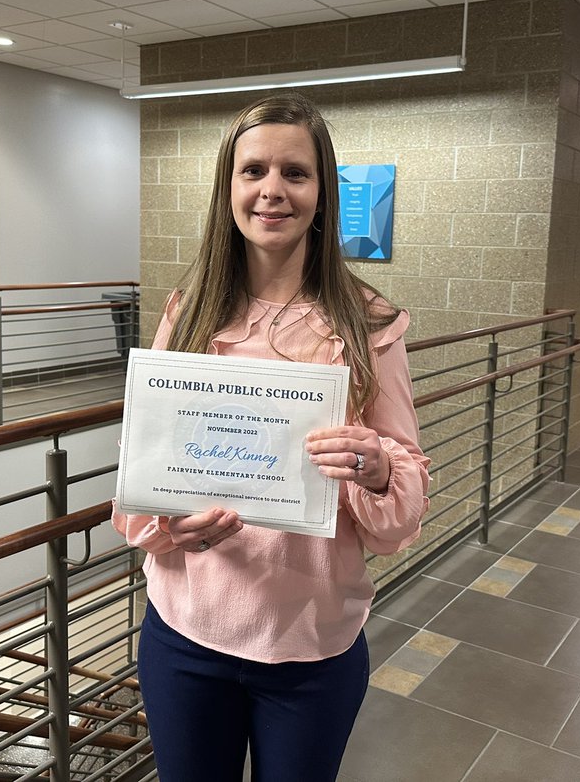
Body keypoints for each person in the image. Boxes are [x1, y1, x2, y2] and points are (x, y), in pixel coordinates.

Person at [112, 92, 430, 782]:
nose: (272, 191)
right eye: (253, 171)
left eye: (295, 172)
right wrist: (171, 523)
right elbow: (142, 474)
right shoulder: (190, 309)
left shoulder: (367, 322)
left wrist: (376, 469)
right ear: (229, 186)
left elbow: (402, 498)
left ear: (322, 191)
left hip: (310, 646)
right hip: (185, 633)